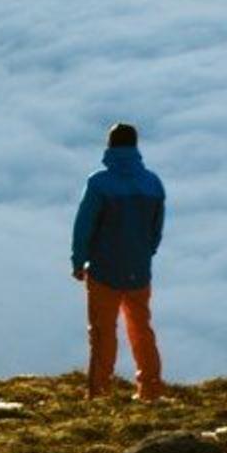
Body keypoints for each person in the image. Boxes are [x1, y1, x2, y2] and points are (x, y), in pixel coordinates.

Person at [70, 121, 167, 400]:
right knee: (141, 328)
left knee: (103, 334)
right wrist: (144, 254)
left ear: (109, 146)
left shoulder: (99, 182)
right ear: (136, 147)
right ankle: (150, 389)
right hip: (139, 271)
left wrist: (79, 261)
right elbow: (156, 230)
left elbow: (84, 225)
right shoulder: (153, 183)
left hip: (104, 272)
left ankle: (99, 393)